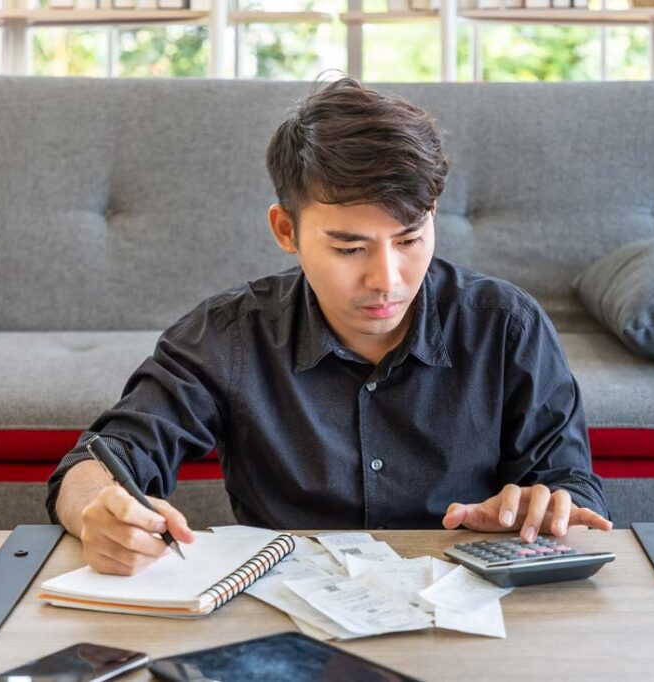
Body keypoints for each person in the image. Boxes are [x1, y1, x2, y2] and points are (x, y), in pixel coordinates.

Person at [46, 75, 612, 577]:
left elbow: (573, 489)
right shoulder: (231, 335)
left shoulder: (506, 327)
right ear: (285, 231)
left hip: (470, 608)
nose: (386, 279)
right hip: (283, 609)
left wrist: (547, 509)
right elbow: (98, 462)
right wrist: (101, 512)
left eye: (410, 239)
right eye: (349, 247)